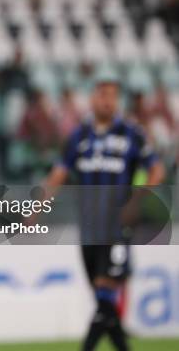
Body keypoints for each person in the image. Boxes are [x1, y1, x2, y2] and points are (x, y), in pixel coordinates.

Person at [44, 78, 165, 351]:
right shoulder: (79, 136)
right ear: (92, 99)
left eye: (112, 96)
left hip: (117, 226)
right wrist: (37, 207)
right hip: (89, 228)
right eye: (102, 95)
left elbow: (157, 169)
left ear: (117, 100)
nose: (107, 101)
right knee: (104, 302)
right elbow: (58, 174)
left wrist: (136, 200)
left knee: (105, 292)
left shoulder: (132, 133)